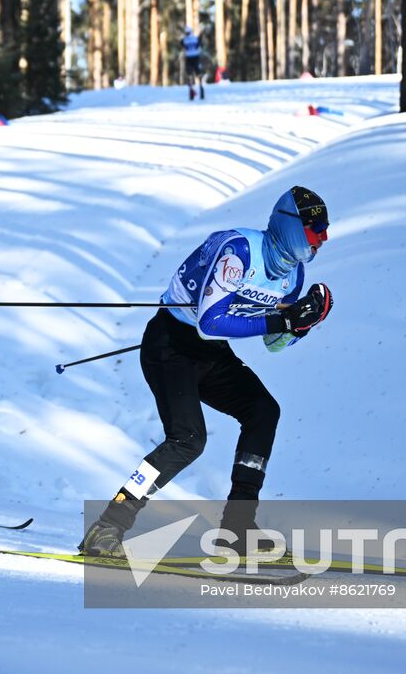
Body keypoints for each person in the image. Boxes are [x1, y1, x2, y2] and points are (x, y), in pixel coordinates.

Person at [78, 186, 334, 558]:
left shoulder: (292, 277)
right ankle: (107, 526)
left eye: (325, 230)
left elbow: (273, 344)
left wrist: (303, 324)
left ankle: (238, 527)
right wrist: (284, 317)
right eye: (317, 230)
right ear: (293, 227)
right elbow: (210, 322)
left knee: (263, 411)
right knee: (188, 441)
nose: (323, 239)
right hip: (171, 344)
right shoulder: (240, 251)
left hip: (210, 354)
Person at [181, 26, 203, 101]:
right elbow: (199, 45)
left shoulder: (184, 40)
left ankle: (191, 92)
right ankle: (201, 87)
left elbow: (182, 46)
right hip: (196, 57)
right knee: (198, 74)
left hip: (189, 58)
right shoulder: (195, 38)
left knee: (190, 75)